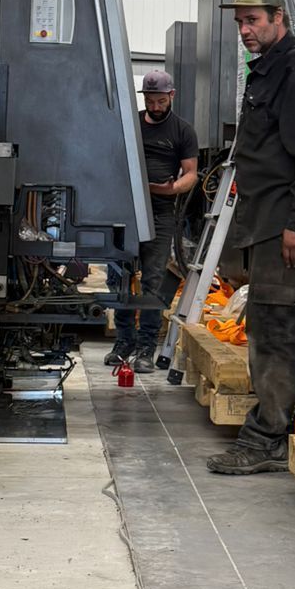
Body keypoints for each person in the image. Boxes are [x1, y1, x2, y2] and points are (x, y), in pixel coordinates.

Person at [207, 0, 295, 476]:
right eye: (240, 22)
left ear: (278, 17)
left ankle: (266, 438)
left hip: (285, 223)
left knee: (272, 330)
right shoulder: (268, 69)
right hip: (267, 218)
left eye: (253, 20)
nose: (245, 29)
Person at [107, 67, 199, 373]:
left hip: (160, 212)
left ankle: (146, 347)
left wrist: (172, 188)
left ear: (171, 95)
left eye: (160, 101)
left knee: (153, 281)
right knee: (119, 277)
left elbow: (191, 174)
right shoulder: (131, 123)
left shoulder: (182, 131)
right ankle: (123, 342)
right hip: (125, 211)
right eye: (150, 101)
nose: (155, 107)